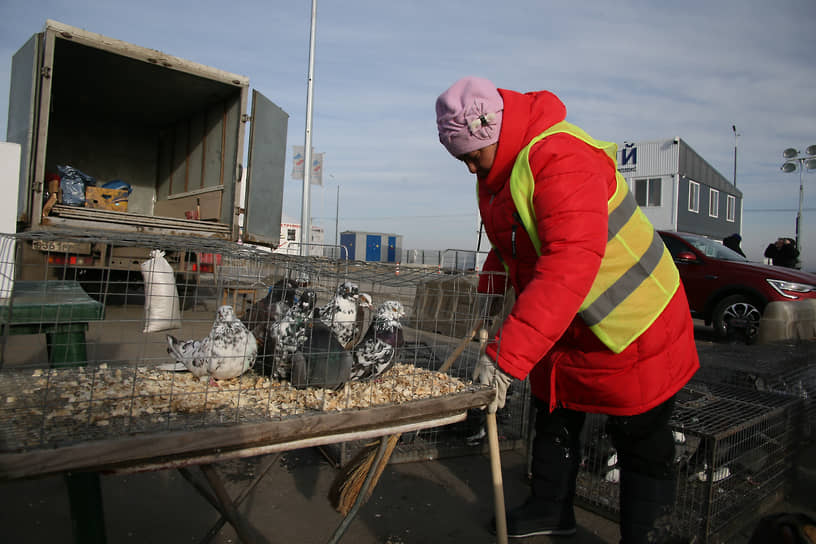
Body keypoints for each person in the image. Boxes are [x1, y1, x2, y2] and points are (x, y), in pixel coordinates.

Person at [435, 76, 700, 543]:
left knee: (640, 435)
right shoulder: (496, 173)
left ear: (488, 131)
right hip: (567, 322)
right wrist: (491, 290)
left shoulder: (560, 158)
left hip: (634, 318)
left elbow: (570, 262)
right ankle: (550, 509)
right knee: (555, 413)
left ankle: (645, 534)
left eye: (470, 153)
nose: (467, 166)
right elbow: (512, 242)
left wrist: (506, 356)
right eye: (459, 158)